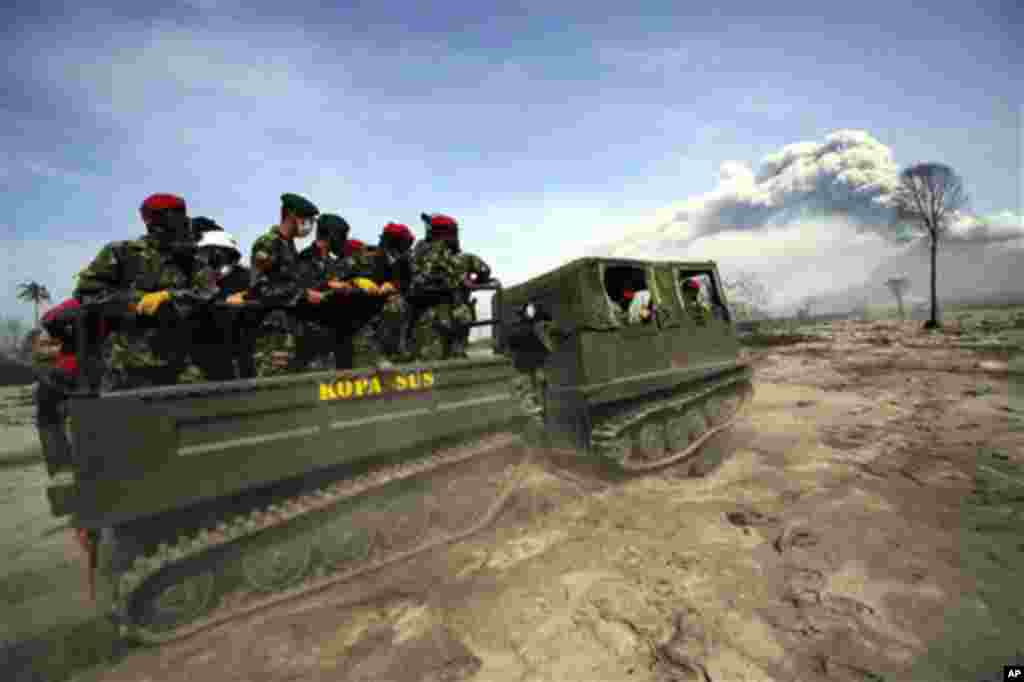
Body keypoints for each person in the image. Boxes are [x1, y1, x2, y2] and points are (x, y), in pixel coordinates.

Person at [73, 193, 216, 391]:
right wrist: (134, 301)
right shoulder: (122, 253)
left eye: (180, 219)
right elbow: (86, 293)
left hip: (183, 365)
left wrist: (171, 296)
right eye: (167, 220)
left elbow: (208, 293)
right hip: (129, 365)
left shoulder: (193, 259)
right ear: (151, 223)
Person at [249, 193, 322, 376]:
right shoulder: (267, 243)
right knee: (271, 389)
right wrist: (303, 294)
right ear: (291, 215)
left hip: (292, 328)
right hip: (273, 332)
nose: (309, 225)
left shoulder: (288, 246)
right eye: (306, 219)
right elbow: (258, 288)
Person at [408, 213, 487, 361]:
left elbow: (413, 280)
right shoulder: (465, 258)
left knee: (431, 363)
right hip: (458, 316)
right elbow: (485, 271)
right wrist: (473, 281)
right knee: (457, 364)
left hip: (429, 317)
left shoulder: (419, 253)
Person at [292, 213, 359, 371]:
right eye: (342, 236)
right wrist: (330, 285)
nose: (344, 241)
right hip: (312, 338)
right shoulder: (304, 258)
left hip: (338, 336)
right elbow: (301, 290)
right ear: (331, 235)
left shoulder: (334, 263)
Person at [190, 230, 257, 380]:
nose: (202, 259)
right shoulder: (200, 280)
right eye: (201, 254)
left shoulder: (246, 278)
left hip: (243, 359)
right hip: (209, 358)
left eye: (207, 253)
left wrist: (243, 299)